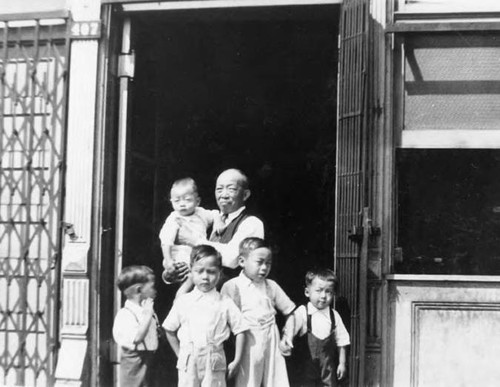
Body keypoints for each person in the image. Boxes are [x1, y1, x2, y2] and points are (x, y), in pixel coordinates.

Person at [162, 245, 247, 387]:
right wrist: (180, 354)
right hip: (188, 360)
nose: (205, 277)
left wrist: (237, 360)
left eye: (211, 272)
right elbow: (169, 329)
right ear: (191, 270)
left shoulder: (224, 302)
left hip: (214, 360)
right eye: (199, 271)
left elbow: (240, 329)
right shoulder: (184, 301)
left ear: (219, 273)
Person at [165, 168, 264, 285]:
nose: (224, 195)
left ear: (245, 194)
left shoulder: (252, 223)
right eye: (219, 189)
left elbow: (232, 259)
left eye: (231, 189)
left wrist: (195, 241)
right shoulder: (208, 219)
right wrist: (172, 273)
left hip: (232, 298)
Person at [221, 237, 295, 387]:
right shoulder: (232, 286)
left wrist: (288, 336)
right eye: (259, 262)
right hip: (247, 341)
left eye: (268, 263)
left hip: (271, 338)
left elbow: (290, 312)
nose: (264, 268)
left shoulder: (271, 285)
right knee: (248, 381)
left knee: (276, 380)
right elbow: (223, 320)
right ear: (242, 261)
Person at [282, 268, 350, 387]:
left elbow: (342, 341)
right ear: (307, 292)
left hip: (327, 369)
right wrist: (287, 338)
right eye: (318, 291)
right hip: (306, 368)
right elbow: (291, 327)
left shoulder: (334, 315)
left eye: (328, 292)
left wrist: (342, 363)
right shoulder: (303, 312)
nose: (323, 296)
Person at [159, 177, 220, 284]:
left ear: (197, 201)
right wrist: (168, 261)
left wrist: (219, 223)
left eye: (187, 199)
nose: (182, 204)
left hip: (198, 257)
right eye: (177, 201)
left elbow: (215, 213)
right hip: (179, 257)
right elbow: (166, 241)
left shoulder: (201, 213)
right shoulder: (174, 219)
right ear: (171, 202)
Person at [112, 265, 159, 387]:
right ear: (139, 290)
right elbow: (137, 338)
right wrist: (148, 315)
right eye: (152, 287)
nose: (155, 290)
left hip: (150, 359)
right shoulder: (125, 314)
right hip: (134, 363)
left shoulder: (147, 309)